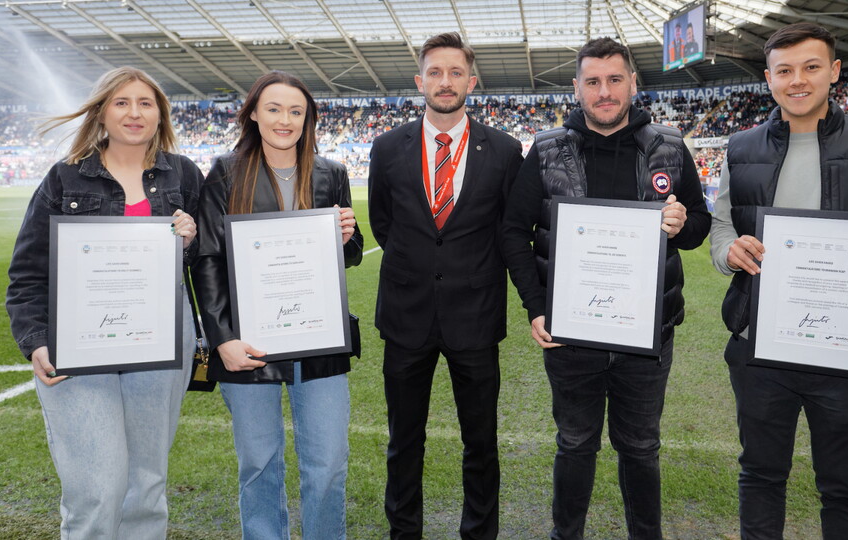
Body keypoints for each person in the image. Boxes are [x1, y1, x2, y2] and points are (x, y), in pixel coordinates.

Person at [709, 23, 848, 539]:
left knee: (845, 488)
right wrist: (728, 252)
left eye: (811, 67)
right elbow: (722, 227)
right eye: (784, 71)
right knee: (760, 475)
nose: (798, 81)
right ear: (769, 79)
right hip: (759, 346)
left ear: (834, 71)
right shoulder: (741, 148)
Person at [501, 37, 711, 539]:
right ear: (576, 88)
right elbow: (512, 230)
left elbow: (700, 225)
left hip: (648, 334)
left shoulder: (669, 146)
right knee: (575, 443)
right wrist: (536, 307)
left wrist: (682, 223)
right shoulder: (547, 149)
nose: (604, 91)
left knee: (641, 446)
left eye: (615, 79)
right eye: (592, 81)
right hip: (572, 334)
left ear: (633, 83)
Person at [6, 66, 200, 539]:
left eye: (145, 103)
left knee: (146, 484)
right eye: (121, 102)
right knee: (98, 487)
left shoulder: (184, 174)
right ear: (101, 113)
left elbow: (209, 262)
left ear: (160, 114)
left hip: (159, 341)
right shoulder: (65, 177)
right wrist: (37, 340)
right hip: (78, 342)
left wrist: (191, 241)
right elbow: (28, 271)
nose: (134, 112)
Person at [191, 70, 362, 540]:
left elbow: (349, 255)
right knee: (259, 464)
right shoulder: (226, 172)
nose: (284, 119)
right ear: (253, 114)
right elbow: (207, 259)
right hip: (248, 345)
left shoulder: (331, 173)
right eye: (273, 109)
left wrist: (346, 237)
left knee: (328, 463)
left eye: (295, 111)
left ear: (308, 119)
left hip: (319, 341)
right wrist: (222, 339)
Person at [367, 32, 523, 540]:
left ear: (471, 82)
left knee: (481, 443)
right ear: (420, 81)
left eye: (456, 72)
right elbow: (385, 225)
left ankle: (479, 533)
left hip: (474, 317)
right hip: (405, 315)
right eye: (435, 72)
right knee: (403, 441)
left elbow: (509, 229)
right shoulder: (387, 147)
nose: (446, 81)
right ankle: (403, 532)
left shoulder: (504, 150)